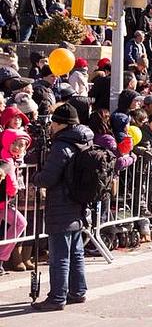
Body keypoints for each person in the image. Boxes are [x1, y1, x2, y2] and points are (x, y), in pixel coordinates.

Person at [31, 104, 94, 310]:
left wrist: (35, 177)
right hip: (78, 202)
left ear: (60, 124)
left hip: (61, 204)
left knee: (59, 256)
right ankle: (78, 291)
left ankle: (57, 298)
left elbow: (48, 178)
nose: (50, 126)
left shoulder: (61, 146)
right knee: (76, 252)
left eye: (53, 122)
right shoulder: (85, 139)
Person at [0, 129, 31, 272]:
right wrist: (13, 192)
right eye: (14, 143)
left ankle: (2, 257)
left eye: (21, 145)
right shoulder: (7, 158)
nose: (16, 147)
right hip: (3, 201)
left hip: (4, 203)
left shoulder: (12, 158)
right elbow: (12, 183)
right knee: (20, 223)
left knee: (20, 223)